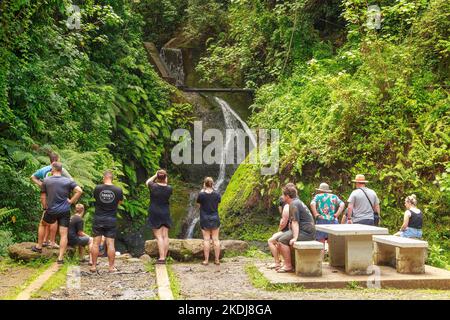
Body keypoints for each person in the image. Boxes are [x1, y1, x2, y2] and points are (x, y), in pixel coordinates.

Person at [32, 162, 83, 264]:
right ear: (61, 170)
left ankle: (39, 246)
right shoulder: (68, 181)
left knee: (43, 224)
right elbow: (79, 191)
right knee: (63, 234)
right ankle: (60, 258)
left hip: (51, 210)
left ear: (53, 170)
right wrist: (71, 201)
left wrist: (45, 207)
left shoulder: (46, 181)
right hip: (64, 211)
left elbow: (43, 196)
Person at [31, 152, 73, 249]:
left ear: (49, 159)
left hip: (46, 195)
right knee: (54, 220)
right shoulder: (61, 169)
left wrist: (41, 185)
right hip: (58, 197)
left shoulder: (44, 169)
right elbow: (71, 180)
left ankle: (43, 241)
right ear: (57, 159)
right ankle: (51, 241)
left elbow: (32, 177)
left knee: (46, 218)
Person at [277, 184, 316, 273]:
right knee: (280, 238)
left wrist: (295, 238)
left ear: (287, 196)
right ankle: (289, 263)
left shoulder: (294, 204)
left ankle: (288, 266)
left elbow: (295, 222)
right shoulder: (296, 202)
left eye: (283, 195)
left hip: (306, 233)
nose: (282, 197)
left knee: (282, 240)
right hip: (305, 231)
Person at [90, 171, 123, 273]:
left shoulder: (98, 188)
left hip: (98, 218)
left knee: (95, 243)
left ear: (104, 178)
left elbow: (96, 199)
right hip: (111, 219)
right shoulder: (118, 190)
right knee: (110, 244)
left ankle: (94, 266)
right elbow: (119, 202)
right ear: (112, 178)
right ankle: (111, 267)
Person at [146, 169, 172, 265]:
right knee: (165, 236)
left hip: (155, 212)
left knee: (159, 236)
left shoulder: (153, 186)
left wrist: (155, 175)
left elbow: (148, 182)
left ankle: (161, 258)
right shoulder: (169, 188)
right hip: (165, 212)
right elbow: (165, 183)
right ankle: (164, 256)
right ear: (165, 178)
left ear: (157, 177)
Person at [196, 177, 221, 266]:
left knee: (206, 240)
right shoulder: (217, 194)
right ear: (212, 184)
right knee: (216, 239)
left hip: (204, 218)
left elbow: (198, 205)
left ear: (204, 184)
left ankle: (206, 260)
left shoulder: (201, 194)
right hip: (215, 218)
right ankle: (217, 260)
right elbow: (217, 204)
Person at [267, 194, 290, 270]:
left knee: (270, 241)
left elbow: (283, 223)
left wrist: (279, 229)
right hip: (290, 230)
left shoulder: (286, 207)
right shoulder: (295, 203)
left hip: (288, 231)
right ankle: (280, 260)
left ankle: (277, 263)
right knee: (275, 236)